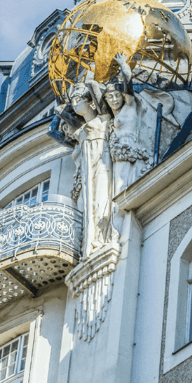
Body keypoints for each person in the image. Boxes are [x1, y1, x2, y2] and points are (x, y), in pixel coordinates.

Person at [69, 81, 114, 254]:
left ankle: (103, 237)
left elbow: (97, 93)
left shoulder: (104, 119)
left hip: (103, 164)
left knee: (102, 202)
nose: (74, 103)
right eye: (72, 100)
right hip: (88, 171)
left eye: (78, 98)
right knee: (88, 205)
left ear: (90, 101)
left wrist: (89, 83)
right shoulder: (80, 132)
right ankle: (91, 241)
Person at [103, 52, 150, 198]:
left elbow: (128, 86)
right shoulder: (113, 115)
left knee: (122, 188)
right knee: (115, 189)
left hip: (127, 150)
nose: (114, 99)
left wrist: (124, 66)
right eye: (110, 97)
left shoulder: (129, 107)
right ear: (105, 99)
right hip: (117, 154)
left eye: (117, 95)